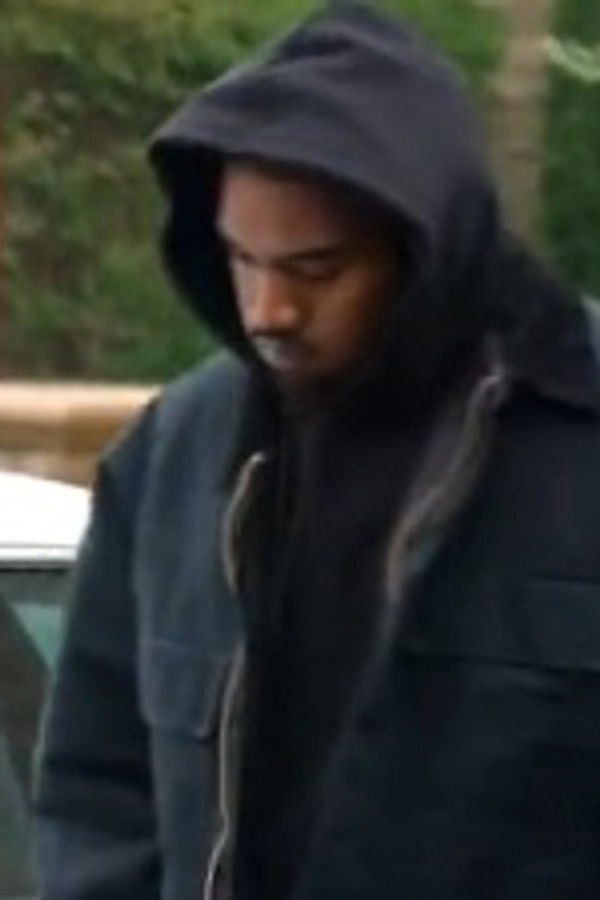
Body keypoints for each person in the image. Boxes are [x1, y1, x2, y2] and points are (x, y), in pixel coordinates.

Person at [35, 3, 600, 899]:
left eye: (315, 269)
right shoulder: (175, 456)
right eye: (241, 260)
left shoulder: (574, 441)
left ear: (424, 250)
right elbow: (99, 790)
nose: (269, 311)